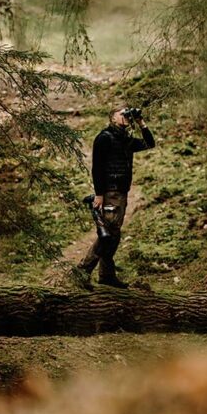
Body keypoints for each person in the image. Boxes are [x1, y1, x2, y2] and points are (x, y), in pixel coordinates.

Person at [71, 107, 155, 290]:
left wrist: (140, 122)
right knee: (107, 236)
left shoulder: (126, 139)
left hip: (121, 193)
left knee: (113, 234)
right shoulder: (104, 138)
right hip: (110, 192)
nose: (125, 116)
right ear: (112, 118)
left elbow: (150, 143)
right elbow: (97, 168)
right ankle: (83, 271)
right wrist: (100, 195)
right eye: (121, 114)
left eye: (127, 114)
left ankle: (107, 276)